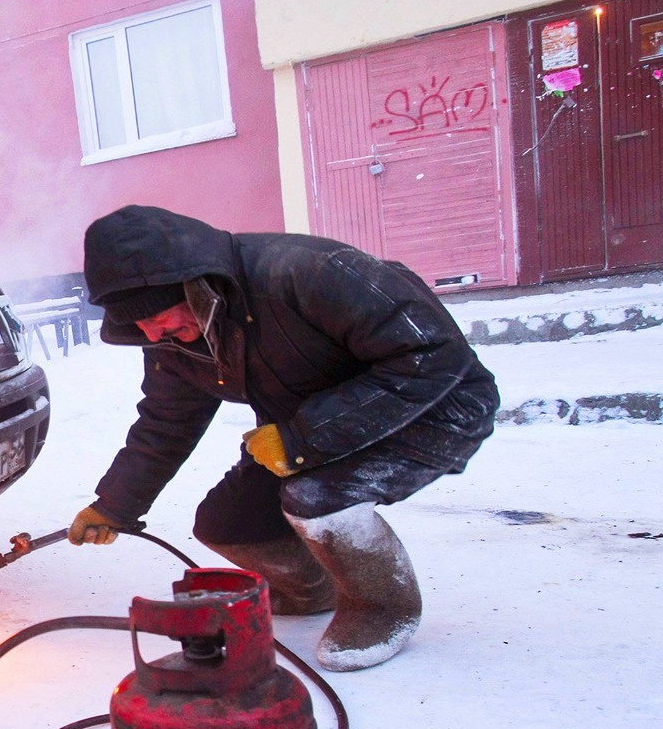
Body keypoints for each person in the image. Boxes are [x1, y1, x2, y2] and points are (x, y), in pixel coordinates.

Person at [67, 205, 499, 672]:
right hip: (310, 428)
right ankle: (314, 590)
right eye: (137, 325)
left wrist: (300, 436)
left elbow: (433, 354)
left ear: (196, 284)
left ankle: (382, 609)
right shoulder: (175, 336)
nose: (151, 332)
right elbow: (166, 422)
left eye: (157, 315)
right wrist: (115, 505)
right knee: (225, 523)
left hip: (435, 407)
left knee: (316, 497)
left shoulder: (310, 272)